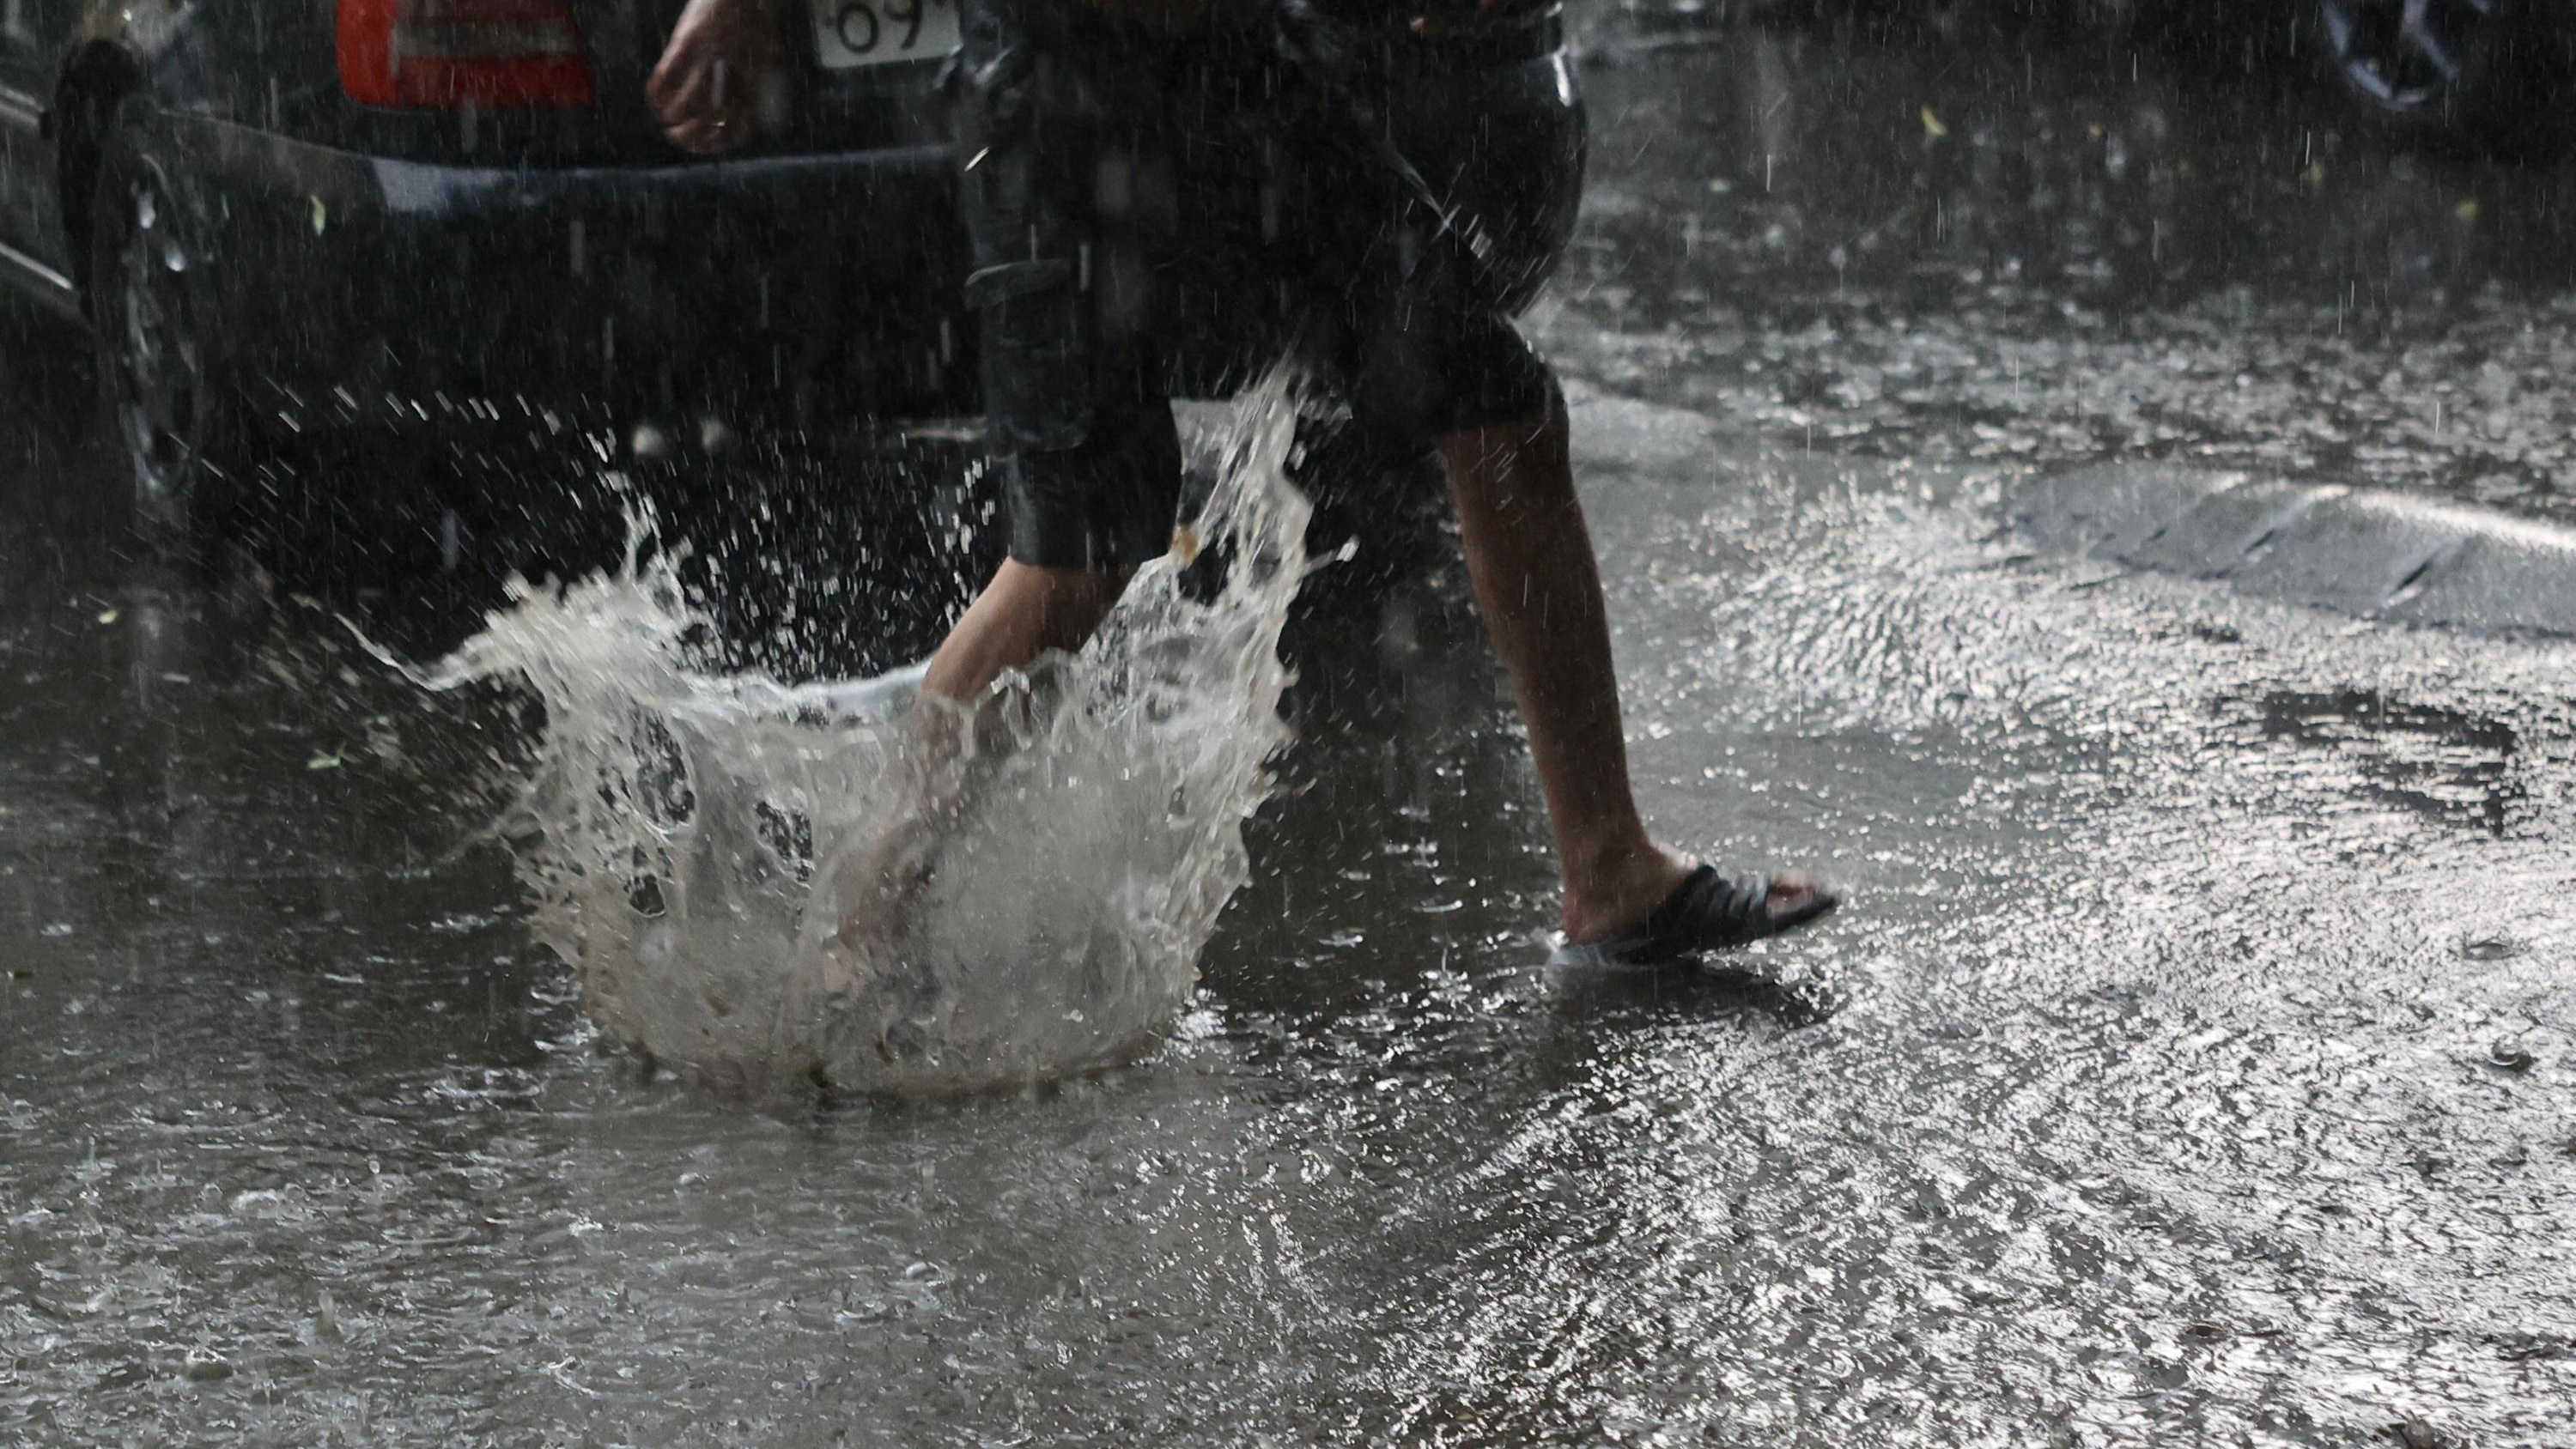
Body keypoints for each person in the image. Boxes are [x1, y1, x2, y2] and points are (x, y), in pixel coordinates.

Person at [647, 0, 1839, 967]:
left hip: (1251, 79)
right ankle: (861, 932)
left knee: (1501, 411)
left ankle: (1612, 874)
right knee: (1078, 556)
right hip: (1062, 108)